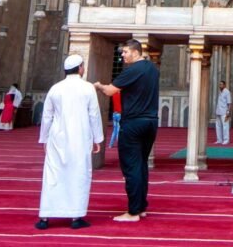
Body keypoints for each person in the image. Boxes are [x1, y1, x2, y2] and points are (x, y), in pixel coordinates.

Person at [94, 39, 160, 223]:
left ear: (135, 52)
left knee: (131, 167)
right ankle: (140, 207)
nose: (122, 55)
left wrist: (99, 86)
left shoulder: (132, 70)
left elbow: (110, 91)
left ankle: (132, 212)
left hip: (133, 123)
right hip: (151, 123)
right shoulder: (152, 69)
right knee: (141, 165)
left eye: (125, 52)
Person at [36, 55, 104, 230]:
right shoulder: (88, 88)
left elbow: (47, 115)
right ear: (80, 68)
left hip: (57, 138)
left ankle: (45, 217)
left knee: (53, 175)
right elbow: (94, 115)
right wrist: (98, 139)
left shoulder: (55, 88)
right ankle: (75, 217)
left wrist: (44, 138)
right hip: (80, 138)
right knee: (78, 175)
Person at [215, 80, 232, 144]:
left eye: (221, 84)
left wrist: (228, 112)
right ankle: (219, 140)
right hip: (218, 111)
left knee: (225, 126)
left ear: (224, 85)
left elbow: (229, 103)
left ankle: (226, 140)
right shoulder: (220, 92)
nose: (220, 86)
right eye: (219, 84)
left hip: (224, 112)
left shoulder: (227, 92)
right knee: (218, 126)